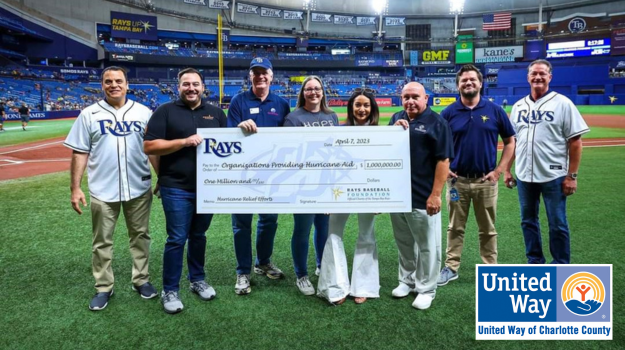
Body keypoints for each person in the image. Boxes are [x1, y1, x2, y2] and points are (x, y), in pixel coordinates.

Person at [64, 66, 156, 311]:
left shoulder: (144, 112)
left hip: (139, 187)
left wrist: (162, 178)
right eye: (108, 81)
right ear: (102, 85)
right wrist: (75, 188)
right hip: (102, 190)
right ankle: (103, 286)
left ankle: (141, 279)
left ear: (127, 84)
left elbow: (153, 148)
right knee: (102, 242)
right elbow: (80, 152)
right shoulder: (89, 114)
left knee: (141, 236)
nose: (113, 85)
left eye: (118, 81)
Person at [144, 68, 227, 314]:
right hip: (176, 187)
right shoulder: (165, 111)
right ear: (178, 87)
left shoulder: (216, 113)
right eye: (186, 84)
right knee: (177, 238)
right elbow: (149, 145)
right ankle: (170, 289)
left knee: (199, 236)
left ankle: (197, 279)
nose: (191, 88)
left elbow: (230, 145)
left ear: (203, 87)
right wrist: (183, 141)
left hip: (208, 188)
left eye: (196, 84)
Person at [504, 59, 589, 264]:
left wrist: (572, 176)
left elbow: (575, 142)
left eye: (542, 73)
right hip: (524, 175)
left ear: (550, 77)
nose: (538, 77)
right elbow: (513, 141)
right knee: (528, 221)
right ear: (528, 77)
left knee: (557, 223)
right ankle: (535, 261)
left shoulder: (563, 103)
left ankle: (560, 265)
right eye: (534, 73)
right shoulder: (518, 107)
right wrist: (507, 169)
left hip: (554, 175)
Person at [437, 65, 516, 286]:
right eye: (464, 80)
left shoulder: (495, 111)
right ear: (458, 85)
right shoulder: (448, 113)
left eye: (473, 80)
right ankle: (451, 267)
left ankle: (490, 268)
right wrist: (446, 168)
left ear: (480, 83)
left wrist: (499, 170)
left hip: (486, 181)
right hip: (456, 182)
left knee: (488, 228)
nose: (468, 83)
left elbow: (510, 141)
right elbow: (437, 143)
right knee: (454, 227)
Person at [227, 57, 291, 295]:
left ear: (272, 76)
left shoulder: (282, 103)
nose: (260, 76)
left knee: (269, 221)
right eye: (256, 73)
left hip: (271, 176)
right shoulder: (238, 100)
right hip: (243, 174)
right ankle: (242, 271)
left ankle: (262, 262)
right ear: (250, 76)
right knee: (241, 224)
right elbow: (227, 137)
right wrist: (238, 127)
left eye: (264, 72)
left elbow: (290, 138)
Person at [389, 82, 453, 310]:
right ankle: (407, 280)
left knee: (428, 245)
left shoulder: (437, 123)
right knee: (404, 242)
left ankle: (427, 288)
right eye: (406, 97)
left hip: (423, 196)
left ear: (426, 98)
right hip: (398, 195)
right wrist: (393, 131)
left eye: (415, 97)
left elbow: (443, 160)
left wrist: (436, 195)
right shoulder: (396, 117)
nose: (410, 101)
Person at [317, 88, 381, 305]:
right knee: (334, 235)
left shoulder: (381, 134)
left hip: (368, 192)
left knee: (366, 235)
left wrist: (383, 198)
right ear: (351, 107)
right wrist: (326, 196)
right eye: (357, 105)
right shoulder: (338, 131)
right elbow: (328, 166)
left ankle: (363, 286)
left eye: (366, 105)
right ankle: (336, 286)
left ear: (372, 109)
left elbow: (384, 168)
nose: (361, 109)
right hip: (339, 192)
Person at [283, 76, 338, 295]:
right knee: (302, 229)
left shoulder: (331, 116)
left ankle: (320, 265)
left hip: (326, 182)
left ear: (323, 92)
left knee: (324, 228)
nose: (313, 92)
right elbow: (288, 152)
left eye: (317, 89)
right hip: (303, 184)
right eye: (309, 89)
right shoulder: (293, 118)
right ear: (303, 93)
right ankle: (301, 275)